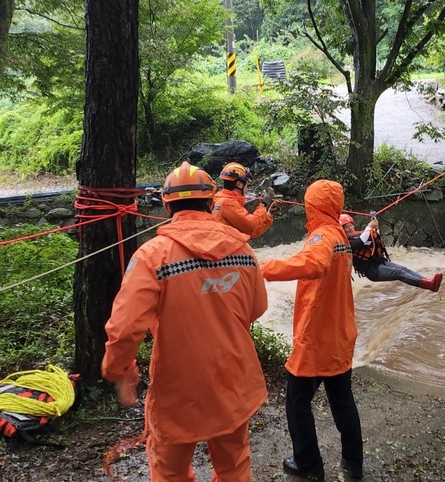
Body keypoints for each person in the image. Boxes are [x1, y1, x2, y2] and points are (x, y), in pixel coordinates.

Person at [101, 161, 268, 482]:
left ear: (166, 205)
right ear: (210, 202)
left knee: (170, 471)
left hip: (178, 389)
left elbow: (124, 327)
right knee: (234, 466)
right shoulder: (243, 251)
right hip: (233, 380)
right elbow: (257, 308)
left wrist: (119, 370)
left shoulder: (153, 256)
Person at [260, 179, 363, 482]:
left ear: (313, 205)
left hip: (317, 336)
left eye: (308, 201)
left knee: (296, 399)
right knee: (342, 400)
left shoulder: (323, 235)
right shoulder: (340, 235)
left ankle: (308, 464)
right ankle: (353, 465)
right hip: (340, 334)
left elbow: (314, 263)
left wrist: (263, 269)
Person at [339, 213, 442, 292]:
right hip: (372, 271)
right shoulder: (346, 243)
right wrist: (369, 227)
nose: (350, 228)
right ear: (342, 230)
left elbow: (374, 238)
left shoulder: (360, 235)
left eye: (351, 225)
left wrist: (374, 228)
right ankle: (427, 284)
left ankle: (427, 281)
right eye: (346, 227)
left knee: (403, 269)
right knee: (399, 273)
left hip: (379, 262)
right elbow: (361, 241)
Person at [212, 161, 279, 238]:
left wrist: (269, 215)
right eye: (246, 186)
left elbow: (251, 232)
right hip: (227, 248)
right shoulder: (227, 202)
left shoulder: (219, 198)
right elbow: (251, 226)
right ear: (239, 184)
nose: (247, 189)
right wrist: (263, 204)